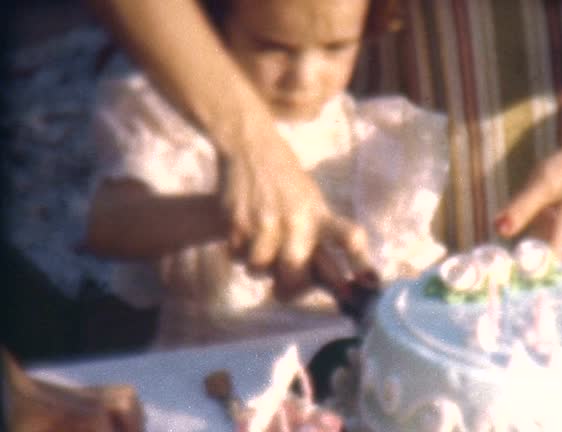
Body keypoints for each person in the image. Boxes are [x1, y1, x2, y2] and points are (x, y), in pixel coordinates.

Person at [87, 0, 562, 282]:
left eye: (325, 54)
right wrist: (253, 144)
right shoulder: (355, 117)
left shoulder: (395, 143)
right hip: (375, 62)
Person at [82, 0, 449, 346]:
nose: (303, 77)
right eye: (273, 47)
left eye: (336, 47)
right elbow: (107, 226)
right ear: (216, 25)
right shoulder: (171, 124)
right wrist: (224, 214)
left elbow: (411, 267)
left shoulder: (374, 141)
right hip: (211, 378)